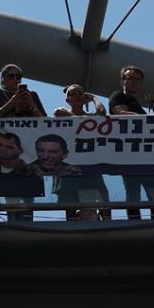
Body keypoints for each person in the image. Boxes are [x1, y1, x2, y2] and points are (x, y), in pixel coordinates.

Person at [0, 65, 46, 222]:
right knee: (11, 199)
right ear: (3, 78)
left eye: (18, 77)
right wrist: (12, 102)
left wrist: (31, 105)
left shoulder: (32, 95)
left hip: (29, 155)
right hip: (6, 155)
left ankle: (27, 231)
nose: (15, 80)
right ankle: (13, 229)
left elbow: (44, 122)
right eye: (11, 76)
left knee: (28, 202)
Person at [109, 65, 154, 220]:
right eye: (129, 78)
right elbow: (120, 113)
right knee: (133, 195)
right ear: (123, 81)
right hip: (129, 157)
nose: (133, 81)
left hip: (149, 158)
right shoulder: (118, 96)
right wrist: (148, 120)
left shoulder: (139, 107)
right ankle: (134, 225)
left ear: (141, 83)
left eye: (137, 79)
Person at [52, 84, 111, 220]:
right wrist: (88, 119)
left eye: (80, 93)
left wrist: (93, 98)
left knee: (103, 198)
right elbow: (76, 120)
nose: (77, 96)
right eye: (73, 94)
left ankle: (108, 228)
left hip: (90, 166)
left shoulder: (92, 117)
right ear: (68, 100)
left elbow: (102, 114)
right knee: (70, 203)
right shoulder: (60, 112)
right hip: (68, 167)